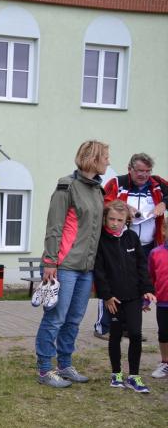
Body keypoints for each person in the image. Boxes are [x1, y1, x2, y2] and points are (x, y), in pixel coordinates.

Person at [35, 140, 107, 388]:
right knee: (55, 318)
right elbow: (54, 226)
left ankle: (65, 365)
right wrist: (50, 261)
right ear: (93, 159)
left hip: (86, 268)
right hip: (64, 265)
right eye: (105, 157)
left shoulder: (98, 190)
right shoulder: (67, 186)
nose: (108, 161)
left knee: (74, 319)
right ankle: (45, 369)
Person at [94, 153, 166, 340]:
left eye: (147, 171)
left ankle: (128, 327)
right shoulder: (117, 183)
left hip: (149, 244)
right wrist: (123, 207)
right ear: (130, 169)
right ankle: (103, 327)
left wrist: (163, 203)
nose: (144, 175)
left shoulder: (157, 183)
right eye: (140, 170)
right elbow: (102, 202)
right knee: (112, 282)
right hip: (120, 241)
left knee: (136, 285)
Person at [93, 200, 156, 393]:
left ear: (126, 220)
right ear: (105, 218)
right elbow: (99, 271)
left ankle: (134, 376)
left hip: (134, 297)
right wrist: (107, 296)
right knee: (116, 335)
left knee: (135, 334)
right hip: (114, 299)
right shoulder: (101, 240)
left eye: (119, 220)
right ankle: (116, 374)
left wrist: (147, 289)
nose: (115, 223)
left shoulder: (131, 237)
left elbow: (142, 265)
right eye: (111, 219)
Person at [148, 217, 168, 379]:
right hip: (163, 303)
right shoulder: (155, 253)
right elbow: (150, 278)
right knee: (164, 333)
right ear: (164, 230)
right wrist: (146, 298)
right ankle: (165, 362)